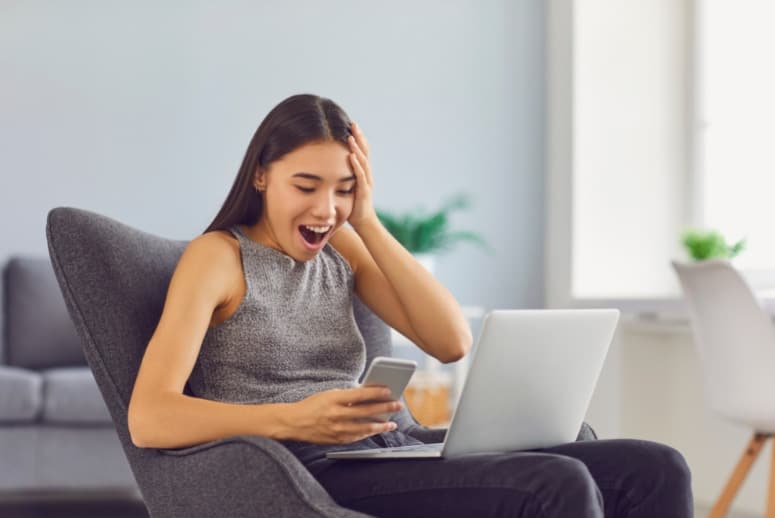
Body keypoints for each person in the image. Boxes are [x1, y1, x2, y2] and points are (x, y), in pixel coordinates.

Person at [127, 93, 693, 517]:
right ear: (260, 176)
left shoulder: (343, 243)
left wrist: (367, 220)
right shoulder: (219, 257)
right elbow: (150, 417)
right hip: (301, 466)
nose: (326, 208)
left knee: (656, 465)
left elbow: (450, 340)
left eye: (343, 187)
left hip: (386, 447)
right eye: (306, 186)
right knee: (556, 482)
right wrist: (292, 418)